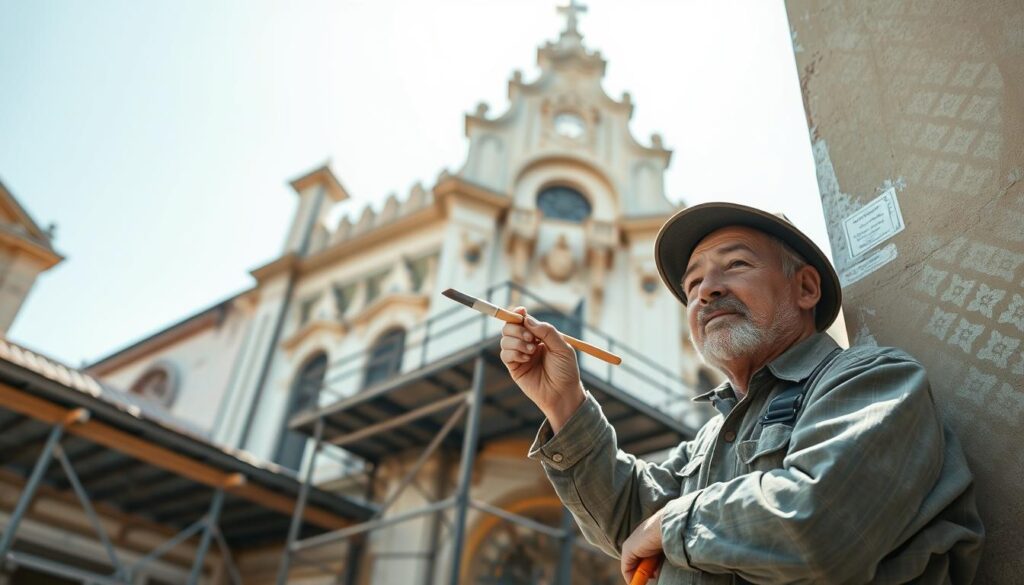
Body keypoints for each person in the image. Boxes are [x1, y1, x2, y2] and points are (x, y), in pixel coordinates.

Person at [499, 202, 984, 584]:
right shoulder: (708, 440)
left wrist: (671, 525)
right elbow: (630, 521)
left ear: (806, 288)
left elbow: (817, 525)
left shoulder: (874, 380)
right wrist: (565, 403)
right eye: (691, 284)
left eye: (734, 264)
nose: (706, 291)